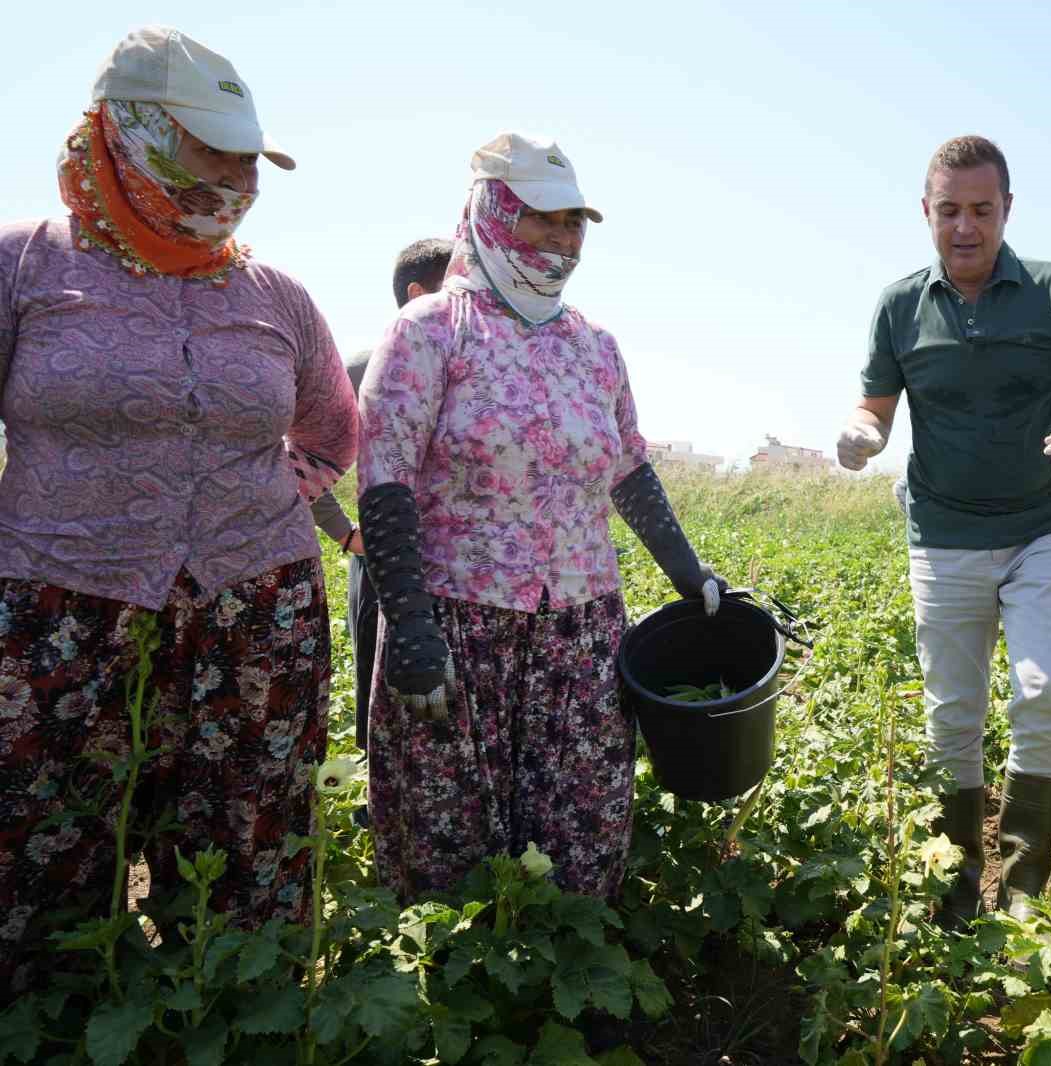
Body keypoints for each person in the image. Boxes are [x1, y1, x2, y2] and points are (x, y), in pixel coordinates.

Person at [0, 26, 357, 997]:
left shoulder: (276, 297)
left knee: (249, 850)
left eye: (251, 160)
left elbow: (331, 426)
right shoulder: (28, 268)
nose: (238, 178)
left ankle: (243, 1023)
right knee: (41, 853)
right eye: (214, 150)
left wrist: (271, 500)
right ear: (131, 133)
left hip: (256, 610)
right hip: (58, 614)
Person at [357, 132, 725, 901]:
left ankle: (571, 990)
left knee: (581, 824)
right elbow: (384, 476)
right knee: (449, 836)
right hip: (460, 625)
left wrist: (689, 575)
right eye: (544, 219)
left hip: (583, 629)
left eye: (575, 224)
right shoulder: (430, 332)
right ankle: (456, 1009)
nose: (563, 240)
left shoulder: (593, 347)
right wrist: (412, 628)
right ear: (493, 213)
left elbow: (626, 469)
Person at [836, 135, 1051, 923]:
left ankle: (1026, 890)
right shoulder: (901, 304)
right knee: (951, 710)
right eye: (949, 211)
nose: (965, 227)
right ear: (926, 212)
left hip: (1044, 526)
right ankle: (953, 889)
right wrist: (863, 432)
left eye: (982, 210)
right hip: (942, 535)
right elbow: (875, 404)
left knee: (1047, 689)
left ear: (1007, 209)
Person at [309, 237, 451, 754]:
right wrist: (345, 534)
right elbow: (303, 458)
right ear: (416, 293)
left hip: (458, 568)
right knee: (384, 684)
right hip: (381, 564)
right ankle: (379, 806)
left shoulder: (483, 367)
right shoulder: (364, 369)